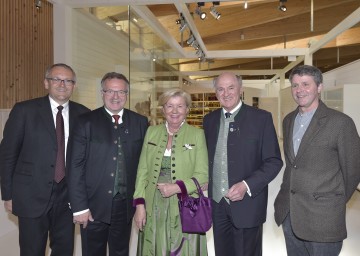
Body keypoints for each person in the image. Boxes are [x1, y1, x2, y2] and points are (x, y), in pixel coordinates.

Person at [0, 63, 90, 255]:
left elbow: (87, 159)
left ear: (74, 86)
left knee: (64, 249)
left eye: (68, 80)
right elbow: (7, 154)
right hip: (31, 193)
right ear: (46, 83)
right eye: (56, 79)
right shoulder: (24, 110)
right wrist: (7, 194)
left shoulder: (84, 114)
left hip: (67, 196)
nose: (62, 84)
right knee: (32, 250)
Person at [274, 65, 360, 256]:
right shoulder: (289, 120)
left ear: (319, 87)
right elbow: (292, 166)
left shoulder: (340, 123)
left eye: (306, 84)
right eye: (295, 85)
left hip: (323, 219)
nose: (299, 90)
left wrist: (331, 202)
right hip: (290, 214)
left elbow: (353, 172)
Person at [67, 72, 148, 256]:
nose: (115, 96)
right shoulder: (85, 122)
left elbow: (145, 166)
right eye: (110, 91)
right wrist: (80, 207)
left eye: (121, 92)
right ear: (102, 93)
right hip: (93, 206)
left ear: (127, 95)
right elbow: (74, 166)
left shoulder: (140, 122)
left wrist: (141, 203)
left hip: (125, 206)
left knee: (121, 251)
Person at [203, 72, 283, 256]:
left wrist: (247, 185)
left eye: (231, 87)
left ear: (241, 89)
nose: (226, 93)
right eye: (220, 89)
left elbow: (273, 161)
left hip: (248, 205)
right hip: (217, 205)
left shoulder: (261, 118)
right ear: (215, 93)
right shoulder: (209, 120)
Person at [133, 88, 209, 256]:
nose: (174, 111)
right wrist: (139, 205)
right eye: (169, 106)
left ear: (187, 109)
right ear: (163, 109)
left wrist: (176, 187)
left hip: (186, 205)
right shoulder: (151, 132)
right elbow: (142, 171)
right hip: (154, 205)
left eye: (180, 106)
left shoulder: (197, 134)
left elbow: (203, 174)